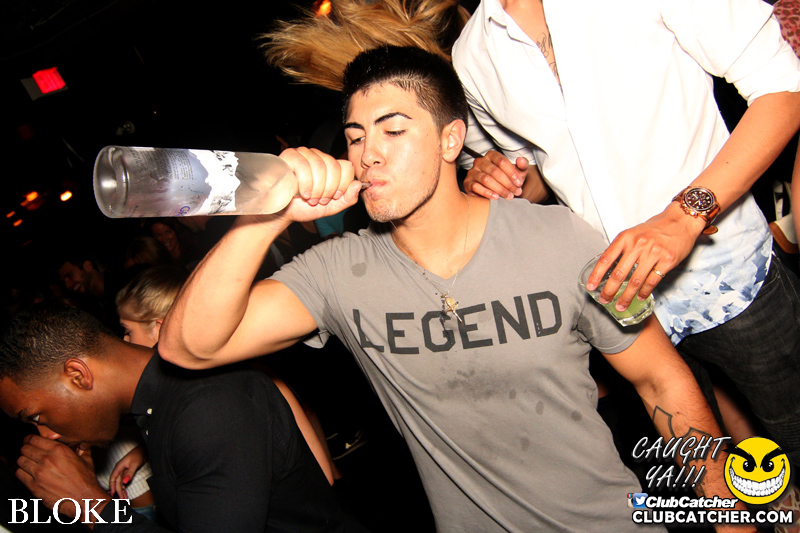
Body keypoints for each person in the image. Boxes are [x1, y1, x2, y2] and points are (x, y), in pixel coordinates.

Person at [158, 46, 749, 532]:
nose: (369, 155)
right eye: (356, 137)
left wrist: (731, 521)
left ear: (449, 141)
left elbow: (661, 378)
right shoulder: (338, 272)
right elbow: (189, 347)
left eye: (393, 130)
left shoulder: (562, 238)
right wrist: (264, 218)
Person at [451, 0, 800, 466]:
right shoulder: (472, 53)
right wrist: (498, 183)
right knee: (717, 478)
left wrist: (685, 215)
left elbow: (783, 89)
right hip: (628, 311)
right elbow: (539, 172)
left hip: (731, 278)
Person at [0, 302, 355, 532]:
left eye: (37, 417)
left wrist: (90, 505)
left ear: (78, 375)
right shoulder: (160, 404)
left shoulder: (206, 407)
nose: (47, 435)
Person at [115, 264, 337, 485]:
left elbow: (320, 472)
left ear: (159, 328)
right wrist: (145, 452)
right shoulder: (184, 395)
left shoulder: (245, 380)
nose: (124, 341)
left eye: (128, 331)